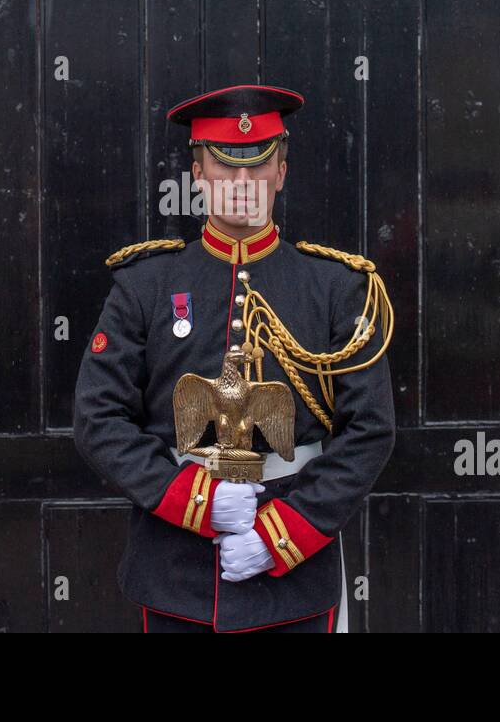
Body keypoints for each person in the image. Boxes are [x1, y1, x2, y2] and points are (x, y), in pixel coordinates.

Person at [73, 84, 396, 632]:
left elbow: (369, 431)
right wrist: (193, 499)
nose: (242, 185)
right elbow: (98, 420)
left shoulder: (336, 287)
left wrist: (282, 535)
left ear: (281, 173)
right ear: (198, 174)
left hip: (295, 575)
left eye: (257, 169)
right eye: (225, 170)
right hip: (175, 572)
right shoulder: (146, 285)